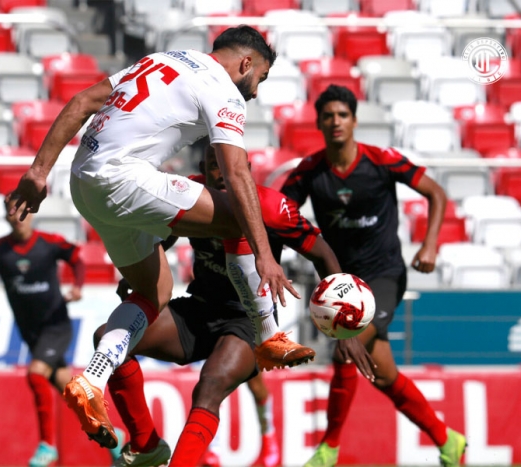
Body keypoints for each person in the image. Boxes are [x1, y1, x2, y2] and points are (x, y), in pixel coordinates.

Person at [8, 25, 316, 449]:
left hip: (83, 183)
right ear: (246, 64)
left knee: (157, 290)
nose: (256, 91)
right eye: (260, 78)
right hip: (124, 179)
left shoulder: (163, 59)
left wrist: (39, 172)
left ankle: (93, 380)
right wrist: (264, 253)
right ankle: (268, 335)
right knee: (237, 218)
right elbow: (236, 171)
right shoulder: (222, 89)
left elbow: (81, 102)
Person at [95, 146, 375, 467]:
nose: (224, 173)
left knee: (209, 387)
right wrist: (141, 274)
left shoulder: (272, 207)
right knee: (109, 336)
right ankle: (146, 445)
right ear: (204, 167)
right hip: (198, 311)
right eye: (216, 166)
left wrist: (345, 331)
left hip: (248, 323)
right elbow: (164, 235)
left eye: (232, 165)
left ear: (248, 169)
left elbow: (322, 254)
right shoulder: (189, 193)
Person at [279, 85, 467, 467]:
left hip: (383, 276)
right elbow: (277, 215)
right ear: (318, 122)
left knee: (346, 349)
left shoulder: (381, 161)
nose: (336, 121)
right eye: (329, 115)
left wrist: (429, 246)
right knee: (383, 375)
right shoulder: (310, 171)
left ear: (354, 121)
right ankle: (448, 440)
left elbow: (436, 193)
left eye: (342, 115)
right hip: (342, 283)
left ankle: (329, 448)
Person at [0, 195, 87, 467]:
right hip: (31, 332)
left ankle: (47, 446)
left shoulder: (48, 242)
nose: (18, 217)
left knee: (36, 374)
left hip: (56, 325)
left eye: (23, 211)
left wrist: (77, 287)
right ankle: (113, 435)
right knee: (68, 388)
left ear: (32, 214)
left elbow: (78, 259)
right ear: (6, 217)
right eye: (12, 212)